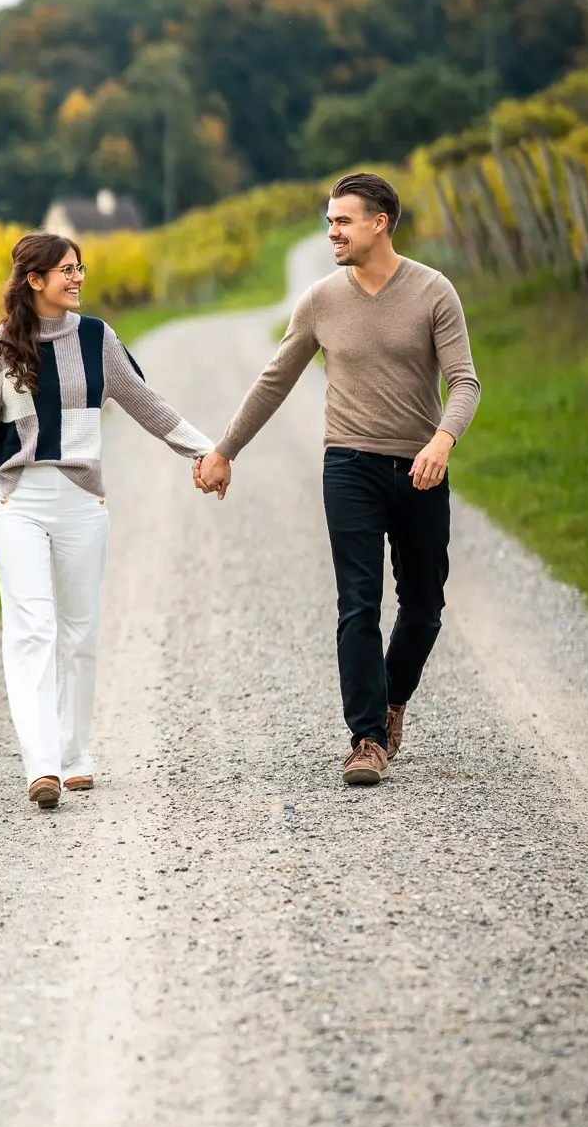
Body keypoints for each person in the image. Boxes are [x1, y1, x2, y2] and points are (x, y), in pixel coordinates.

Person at [194, 172, 480, 787]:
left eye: (343, 221)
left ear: (380, 223)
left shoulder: (434, 292)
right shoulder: (321, 300)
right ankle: (367, 738)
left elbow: (464, 381)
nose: (332, 233)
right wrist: (225, 450)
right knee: (358, 601)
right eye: (329, 222)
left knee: (425, 603)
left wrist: (442, 440)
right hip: (348, 465)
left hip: (421, 467)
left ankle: (392, 698)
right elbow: (275, 379)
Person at [0, 232, 214, 809]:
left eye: (79, 267)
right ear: (33, 280)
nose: (77, 277)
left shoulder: (96, 338)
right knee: (32, 631)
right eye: (64, 270)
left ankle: (74, 756)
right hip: (19, 501)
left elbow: (146, 402)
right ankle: (40, 765)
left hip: (82, 503)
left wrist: (205, 451)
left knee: (81, 633)